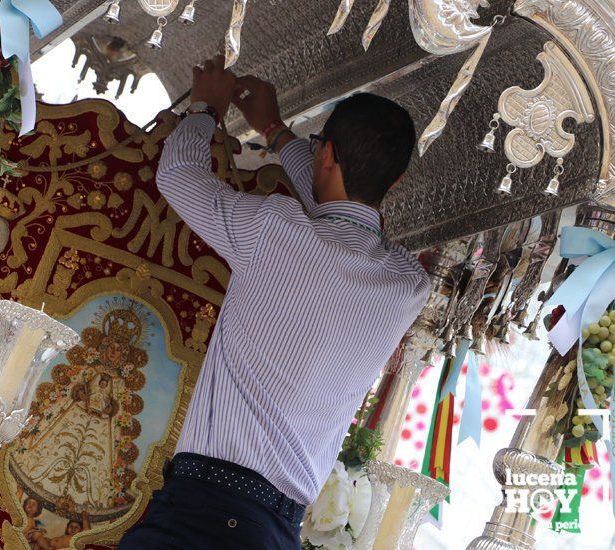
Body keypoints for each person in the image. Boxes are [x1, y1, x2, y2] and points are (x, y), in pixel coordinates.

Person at [118, 56, 431, 549]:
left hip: (200, 516)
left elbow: (177, 175)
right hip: (275, 534)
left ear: (326, 154)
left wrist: (205, 108)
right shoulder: (409, 285)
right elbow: (338, 211)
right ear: (395, 183)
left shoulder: (274, 229)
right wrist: (277, 131)